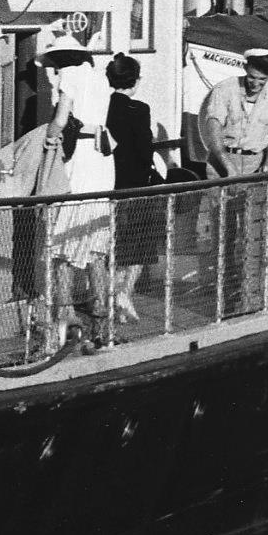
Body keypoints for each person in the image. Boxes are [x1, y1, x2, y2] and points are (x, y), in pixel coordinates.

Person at [37, 35, 116, 345]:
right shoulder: (100, 78)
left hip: (80, 158)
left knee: (63, 244)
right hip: (101, 158)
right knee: (95, 244)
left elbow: (61, 118)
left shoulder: (70, 75)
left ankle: (65, 315)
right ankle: (101, 321)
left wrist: (48, 138)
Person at [196, 47, 268, 303]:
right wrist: (227, 164)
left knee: (250, 229)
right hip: (222, 161)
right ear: (245, 70)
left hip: (252, 165)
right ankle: (221, 288)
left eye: (262, 79)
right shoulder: (224, 90)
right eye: (252, 78)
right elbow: (213, 127)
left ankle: (245, 288)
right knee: (222, 229)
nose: (256, 84)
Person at [102, 52, 163, 324]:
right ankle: (124, 293)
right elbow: (144, 150)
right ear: (135, 81)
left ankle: (112, 297)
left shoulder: (102, 107)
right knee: (138, 244)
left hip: (108, 185)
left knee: (114, 244)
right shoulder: (140, 110)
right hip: (137, 187)